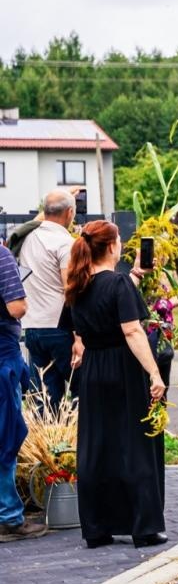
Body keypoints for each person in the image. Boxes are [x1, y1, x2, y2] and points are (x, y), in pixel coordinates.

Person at [65, 221, 167, 548]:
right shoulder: (118, 283)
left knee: (96, 446)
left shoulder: (78, 284)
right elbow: (132, 331)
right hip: (123, 367)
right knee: (134, 444)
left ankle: (96, 527)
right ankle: (143, 527)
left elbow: (83, 324)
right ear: (111, 247)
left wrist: (134, 276)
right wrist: (154, 372)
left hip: (93, 368)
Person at [0, 241, 46, 541]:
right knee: (6, 434)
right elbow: (16, 306)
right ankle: (9, 517)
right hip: (2, 355)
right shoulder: (2, 256)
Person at [17, 189, 76, 405]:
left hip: (32, 326)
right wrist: (80, 336)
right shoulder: (65, 243)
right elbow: (70, 288)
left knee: (46, 395)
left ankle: (48, 437)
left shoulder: (27, 238)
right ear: (70, 212)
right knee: (79, 388)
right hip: (60, 327)